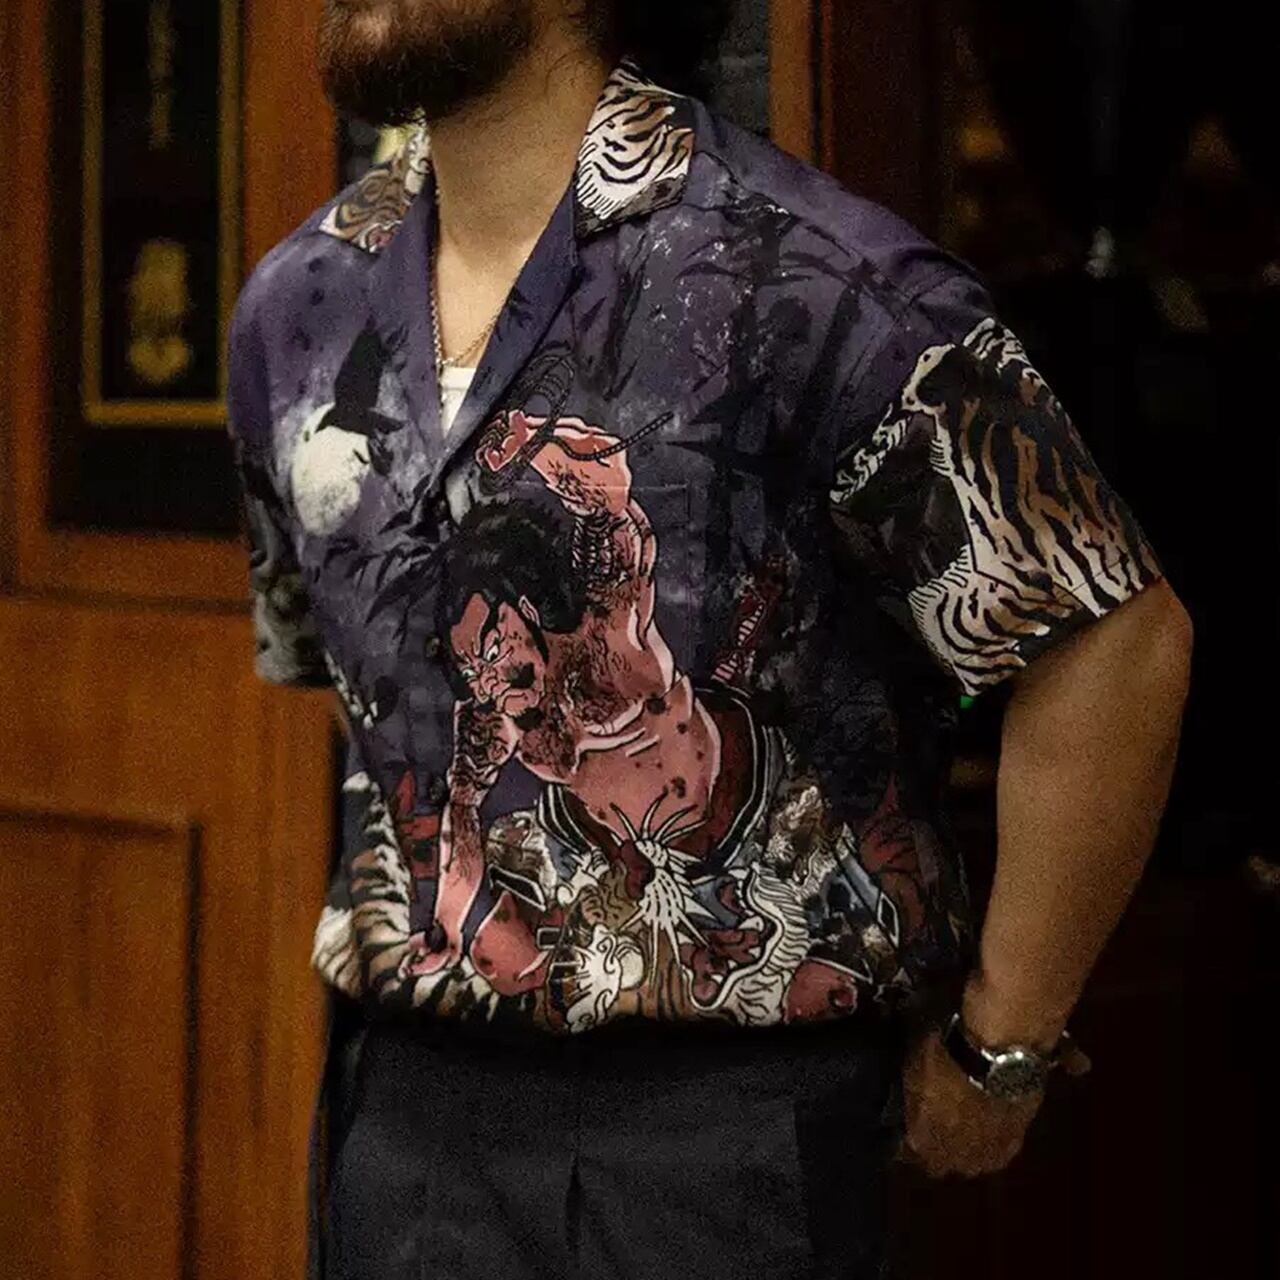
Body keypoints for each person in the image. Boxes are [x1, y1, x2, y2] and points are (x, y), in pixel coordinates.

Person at [225, 2, 1194, 1277]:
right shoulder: (296, 309)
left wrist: (1000, 1040)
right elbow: (347, 683)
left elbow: (1109, 641)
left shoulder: (803, 278)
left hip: (716, 1139)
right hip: (402, 1112)